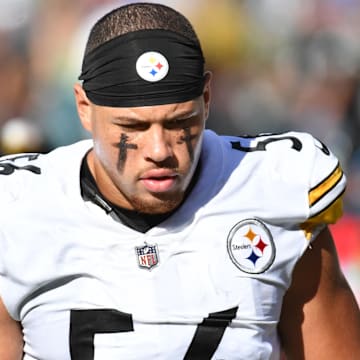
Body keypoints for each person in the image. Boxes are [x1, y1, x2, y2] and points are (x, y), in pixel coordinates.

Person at [0, 2, 359, 359]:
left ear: (206, 98)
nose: (159, 150)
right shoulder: (18, 211)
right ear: (84, 108)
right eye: (132, 127)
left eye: (179, 122)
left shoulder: (277, 191)